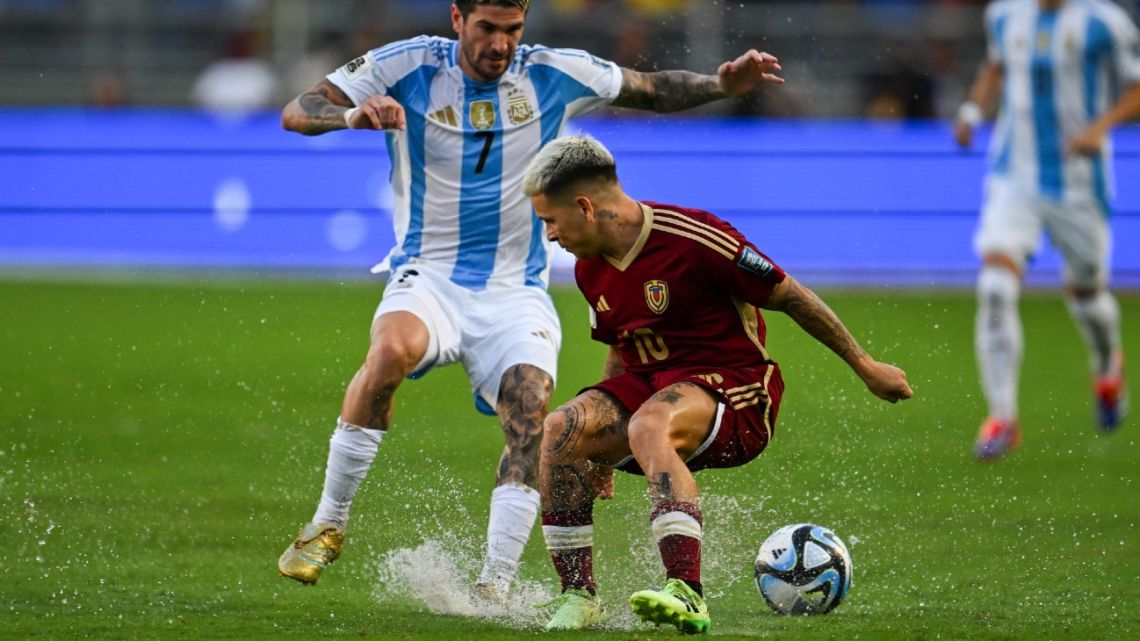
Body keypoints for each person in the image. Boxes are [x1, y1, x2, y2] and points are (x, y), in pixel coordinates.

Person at [276, 0, 786, 597]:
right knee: (391, 349)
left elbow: (650, 88)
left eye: (512, 30)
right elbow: (299, 110)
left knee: (530, 410)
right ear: (458, 19)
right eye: (487, 28)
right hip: (428, 272)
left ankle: (493, 584)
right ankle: (327, 525)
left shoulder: (550, 71)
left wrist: (721, 84)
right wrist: (352, 117)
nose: (500, 44)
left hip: (517, 288)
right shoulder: (408, 64)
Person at [519, 135, 914, 632]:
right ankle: (579, 596)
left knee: (649, 425)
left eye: (550, 220)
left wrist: (866, 365)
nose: (549, 235)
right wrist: (594, 441)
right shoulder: (589, 266)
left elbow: (791, 296)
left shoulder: (696, 237)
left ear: (584, 206)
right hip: (649, 387)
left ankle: (686, 592)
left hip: (739, 392)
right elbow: (622, 344)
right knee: (559, 430)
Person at [953, 0, 1140, 460]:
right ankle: (1002, 417)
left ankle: (1106, 366)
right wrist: (973, 111)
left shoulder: (1104, 22)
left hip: (1080, 182)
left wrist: (1100, 129)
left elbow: (1136, 88)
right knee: (995, 285)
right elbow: (996, 66)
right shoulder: (1004, 14)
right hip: (1014, 176)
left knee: (1088, 296)